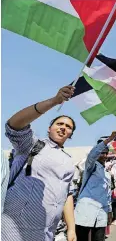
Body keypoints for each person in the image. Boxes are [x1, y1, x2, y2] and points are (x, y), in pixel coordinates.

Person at [2, 85, 77, 241]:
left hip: (47, 232)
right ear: (49, 128)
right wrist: (54, 101)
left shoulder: (69, 161)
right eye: (59, 124)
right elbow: (13, 125)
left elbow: (67, 194)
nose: (63, 128)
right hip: (14, 228)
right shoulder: (31, 144)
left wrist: (71, 229)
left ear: (70, 135)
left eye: (68, 127)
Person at [74, 130, 116, 241]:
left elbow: (108, 194)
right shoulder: (91, 166)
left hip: (101, 213)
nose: (103, 155)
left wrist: (109, 211)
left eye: (105, 153)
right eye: (101, 152)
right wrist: (108, 140)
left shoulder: (107, 174)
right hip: (86, 210)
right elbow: (92, 155)